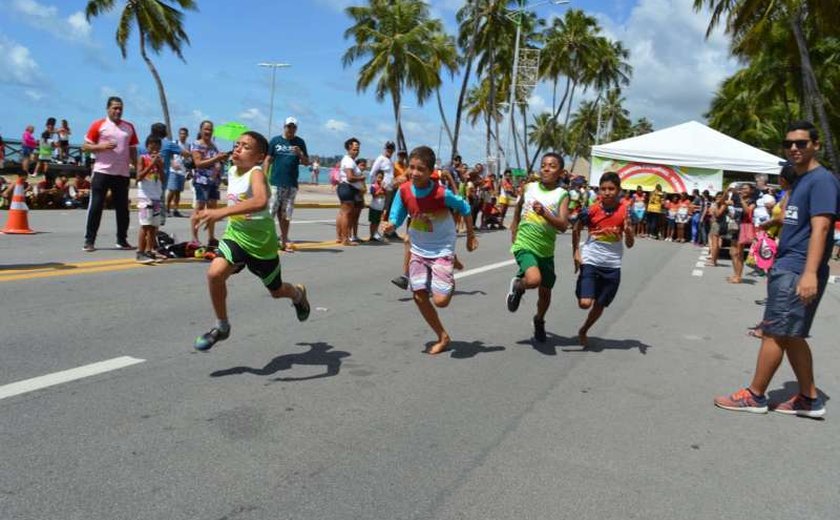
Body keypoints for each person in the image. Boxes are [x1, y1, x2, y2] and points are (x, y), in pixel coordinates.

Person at [715, 120, 840, 417]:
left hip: (798, 268)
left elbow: (821, 228)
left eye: (801, 143)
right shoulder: (801, 181)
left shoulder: (821, 180)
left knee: (774, 332)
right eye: (789, 144)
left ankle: (755, 396)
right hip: (791, 265)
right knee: (792, 334)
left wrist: (810, 273)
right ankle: (809, 399)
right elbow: (798, 221)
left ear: (816, 145)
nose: (794, 148)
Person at [192, 131, 310, 351]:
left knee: (276, 292)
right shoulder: (232, 170)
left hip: (261, 244)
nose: (237, 148)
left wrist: (221, 213)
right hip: (236, 235)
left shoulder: (256, 172)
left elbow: (261, 200)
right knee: (215, 274)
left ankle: (297, 294)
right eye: (237, 144)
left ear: (259, 157)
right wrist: (207, 213)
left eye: (245, 146)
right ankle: (222, 326)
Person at [382, 146, 478, 355]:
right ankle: (442, 336)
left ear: (430, 171)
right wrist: (390, 225)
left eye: (421, 169)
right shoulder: (404, 190)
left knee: (441, 301)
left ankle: (450, 267)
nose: (415, 173)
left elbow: (466, 208)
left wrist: (471, 236)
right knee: (418, 295)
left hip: (442, 246)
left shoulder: (441, 193)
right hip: (418, 247)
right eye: (412, 168)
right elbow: (397, 216)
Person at [506, 153, 570, 343]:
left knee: (545, 293)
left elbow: (563, 225)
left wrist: (545, 214)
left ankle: (539, 320)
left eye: (551, 166)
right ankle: (519, 285)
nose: (546, 169)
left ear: (560, 172)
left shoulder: (562, 195)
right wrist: (514, 227)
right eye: (543, 165)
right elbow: (518, 208)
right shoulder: (529, 188)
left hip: (546, 250)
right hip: (525, 244)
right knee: (533, 280)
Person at [572, 172, 635, 348]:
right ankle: (583, 287)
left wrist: (629, 232)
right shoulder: (590, 210)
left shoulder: (625, 210)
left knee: (600, 304)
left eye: (611, 189)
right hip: (591, 259)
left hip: (613, 264)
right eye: (603, 189)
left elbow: (629, 244)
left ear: (619, 190)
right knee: (585, 303)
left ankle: (584, 330)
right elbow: (576, 229)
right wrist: (576, 252)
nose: (607, 192)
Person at [82, 96, 139, 252]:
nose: (118, 111)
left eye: (120, 108)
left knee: (123, 209)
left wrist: (138, 167)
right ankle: (89, 240)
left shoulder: (129, 127)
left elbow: (133, 149)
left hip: (122, 173)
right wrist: (101, 146)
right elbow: (85, 146)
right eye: (114, 108)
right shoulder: (99, 125)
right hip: (102, 171)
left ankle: (122, 240)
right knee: (96, 206)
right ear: (108, 109)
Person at [264, 116, 310, 252]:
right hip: (275, 183)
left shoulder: (300, 142)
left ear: (296, 128)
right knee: (270, 213)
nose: (291, 129)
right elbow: (268, 159)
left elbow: (306, 162)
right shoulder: (275, 141)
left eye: (293, 127)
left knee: (286, 215)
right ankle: (266, 240)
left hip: (291, 184)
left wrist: (300, 153)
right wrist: (264, 177)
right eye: (288, 126)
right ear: (284, 126)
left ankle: (284, 241)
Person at [190, 120, 228, 246]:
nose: (208, 132)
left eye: (210, 129)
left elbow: (215, 162)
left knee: (212, 210)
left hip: (213, 181)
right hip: (201, 181)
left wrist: (221, 161)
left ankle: (211, 237)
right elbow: (198, 163)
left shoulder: (213, 146)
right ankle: (194, 238)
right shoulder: (196, 145)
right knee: (199, 208)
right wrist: (216, 158)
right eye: (206, 129)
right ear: (201, 130)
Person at [135, 136, 165, 264]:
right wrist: (151, 164)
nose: (155, 150)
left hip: (156, 197)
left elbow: (163, 179)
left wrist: (159, 166)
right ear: (147, 147)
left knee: (153, 226)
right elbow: (138, 177)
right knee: (145, 225)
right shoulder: (142, 158)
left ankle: (149, 250)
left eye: (157, 147)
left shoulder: (160, 161)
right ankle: (140, 252)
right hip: (145, 197)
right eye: (152, 147)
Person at [336, 137, 365, 246]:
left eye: (357, 149)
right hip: (347, 188)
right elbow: (350, 177)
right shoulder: (348, 161)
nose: (356, 151)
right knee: (346, 214)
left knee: (343, 213)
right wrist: (361, 178)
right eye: (354, 149)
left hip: (346, 188)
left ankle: (340, 237)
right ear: (348, 149)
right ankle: (345, 239)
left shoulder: (349, 160)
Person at [727, 183, 756, 283]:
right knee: (732, 252)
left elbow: (748, 211)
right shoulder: (736, 199)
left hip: (744, 227)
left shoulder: (752, 201)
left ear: (751, 191)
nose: (743, 190)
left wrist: (741, 199)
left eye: (745, 188)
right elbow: (724, 203)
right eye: (742, 188)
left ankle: (738, 277)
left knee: (739, 253)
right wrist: (727, 192)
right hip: (735, 226)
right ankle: (735, 274)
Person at [166, 127, 191, 217]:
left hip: (182, 171)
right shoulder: (175, 143)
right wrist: (172, 163)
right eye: (181, 133)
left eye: (184, 134)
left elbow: (189, 158)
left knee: (178, 192)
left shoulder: (188, 145)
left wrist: (189, 170)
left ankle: (176, 210)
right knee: (172, 190)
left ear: (187, 135)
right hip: (174, 170)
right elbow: (169, 155)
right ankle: (167, 209)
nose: (182, 135)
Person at [368, 170, 387, 242]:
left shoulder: (383, 187)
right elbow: (374, 195)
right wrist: (381, 189)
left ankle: (375, 233)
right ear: (375, 177)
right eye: (379, 177)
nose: (380, 179)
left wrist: (384, 189)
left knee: (378, 221)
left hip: (380, 207)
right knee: (373, 222)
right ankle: (371, 235)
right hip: (374, 207)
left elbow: (385, 194)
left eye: (382, 178)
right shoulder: (373, 186)